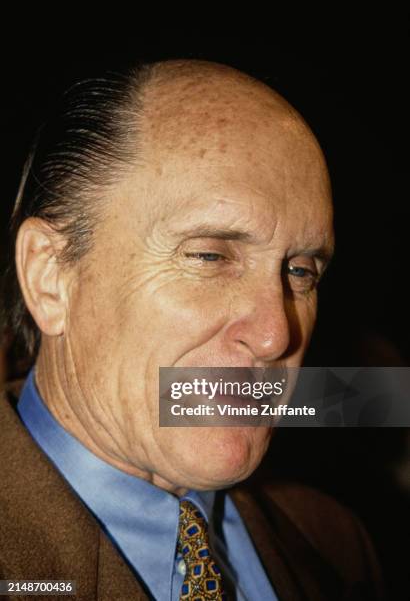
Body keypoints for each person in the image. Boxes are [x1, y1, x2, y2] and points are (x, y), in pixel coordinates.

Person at [0, 59, 384, 600]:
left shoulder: (336, 541)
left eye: (300, 271)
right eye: (208, 256)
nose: (277, 336)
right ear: (50, 276)